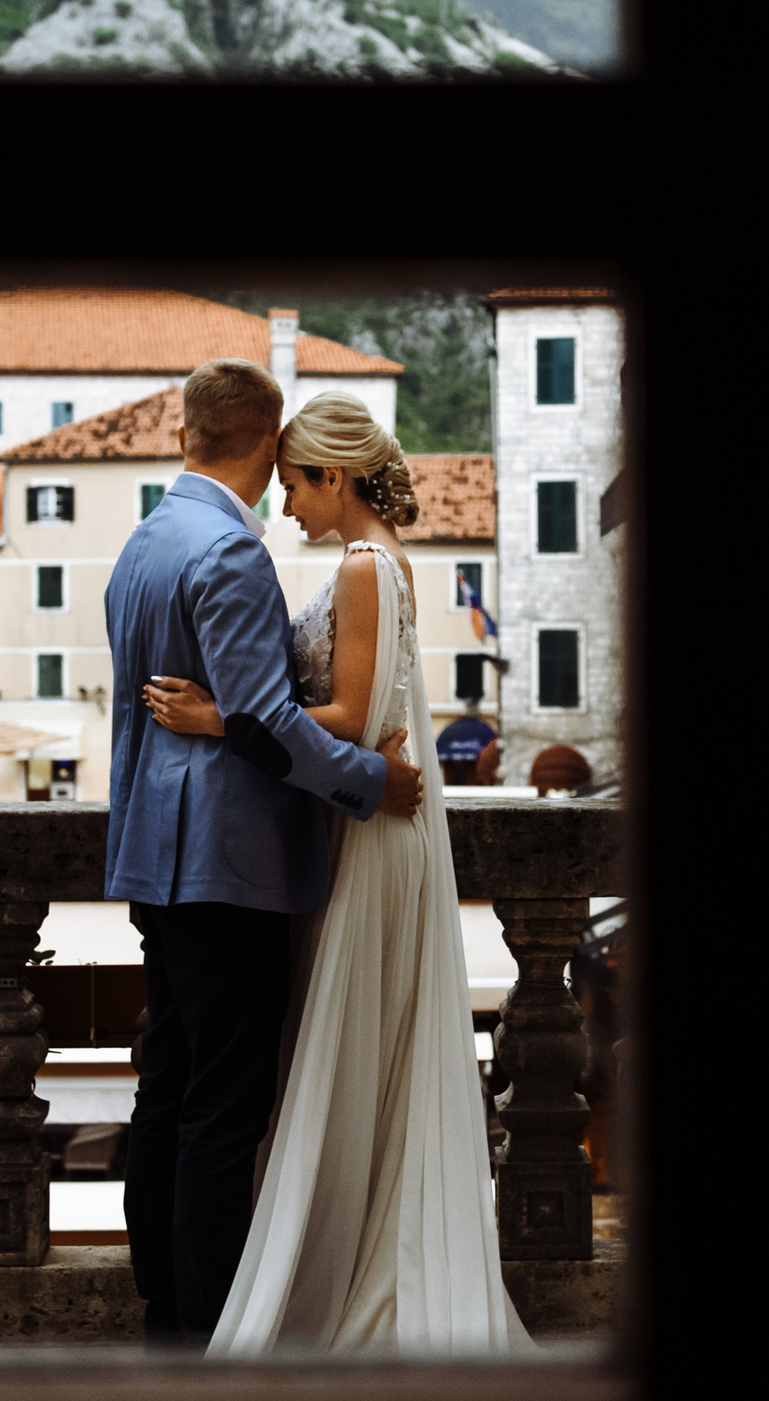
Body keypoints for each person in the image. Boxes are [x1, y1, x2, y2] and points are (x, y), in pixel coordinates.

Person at [145, 390, 530, 1354]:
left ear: (335, 476)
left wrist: (221, 720)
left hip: (366, 833)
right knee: (358, 1049)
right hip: (362, 823)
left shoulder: (363, 565)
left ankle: (339, 1272)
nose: (286, 507)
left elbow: (356, 719)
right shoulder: (381, 562)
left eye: (295, 486)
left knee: (348, 1045)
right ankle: (364, 1250)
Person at [103, 359, 425, 1347]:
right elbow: (268, 720)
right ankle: (207, 1324)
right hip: (227, 864)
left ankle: (162, 1297)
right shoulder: (231, 554)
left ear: (188, 432)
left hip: (151, 858)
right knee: (223, 1105)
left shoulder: (141, 545)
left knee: (167, 1084)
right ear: (264, 438)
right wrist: (373, 782)